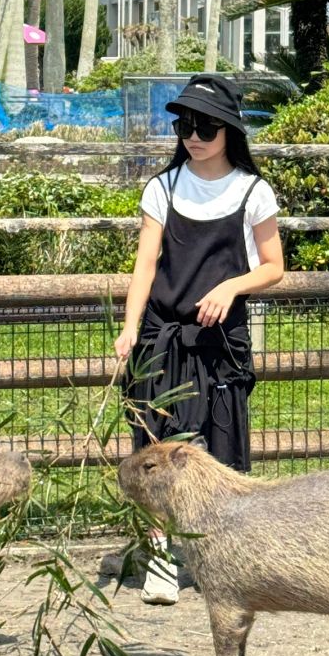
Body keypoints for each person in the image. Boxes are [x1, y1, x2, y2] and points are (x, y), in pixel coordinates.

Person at [114, 75, 285, 605]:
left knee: (222, 446)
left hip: (221, 344)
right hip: (161, 340)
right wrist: (128, 328)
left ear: (230, 131)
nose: (193, 135)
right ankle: (161, 560)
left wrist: (231, 286)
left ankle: (223, 559)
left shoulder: (254, 192)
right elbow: (145, 265)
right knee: (155, 448)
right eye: (184, 124)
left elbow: (275, 268)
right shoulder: (161, 187)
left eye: (205, 125)